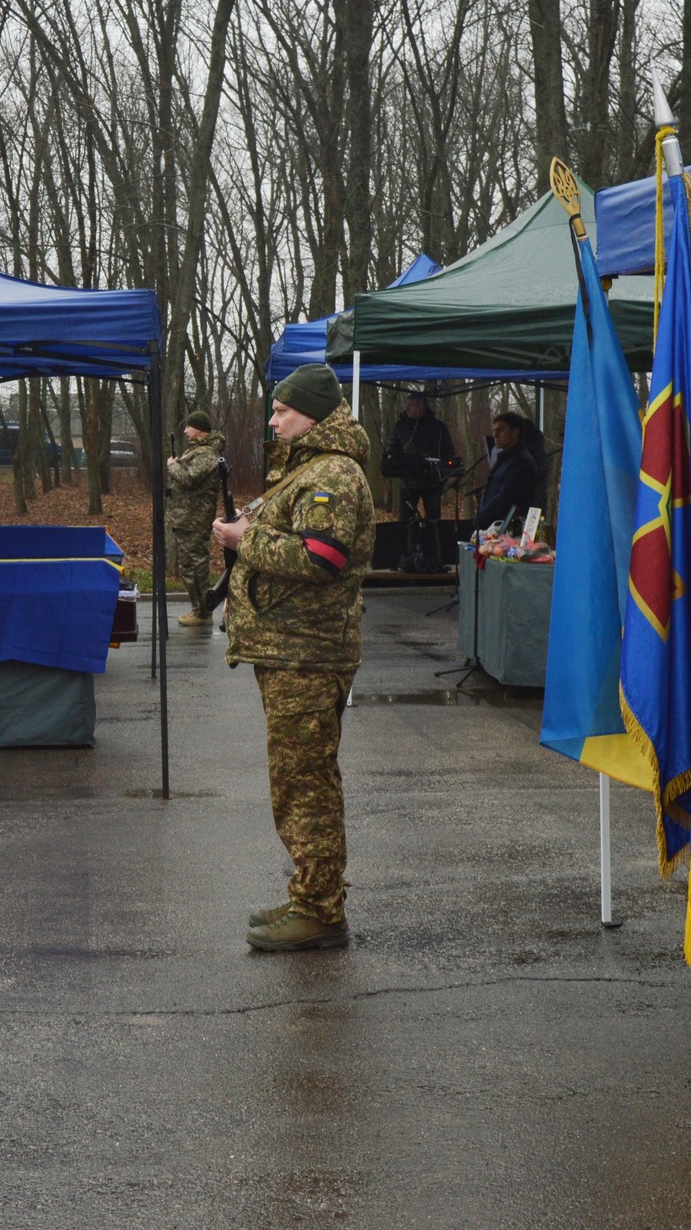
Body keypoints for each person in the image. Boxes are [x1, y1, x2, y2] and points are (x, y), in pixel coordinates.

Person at [216, 364, 373, 952]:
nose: (273, 420)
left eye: (282, 411)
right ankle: (312, 893)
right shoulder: (310, 467)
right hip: (293, 650)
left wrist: (245, 539)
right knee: (301, 779)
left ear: (311, 414)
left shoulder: (332, 472)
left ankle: (320, 911)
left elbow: (321, 557)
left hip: (308, 654)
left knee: (304, 784)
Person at [164, 410, 226, 628]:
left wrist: (173, 465)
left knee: (195, 567)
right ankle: (199, 609)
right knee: (189, 566)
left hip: (194, 519)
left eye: (189, 426)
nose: (185, 430)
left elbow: (189, 478)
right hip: (186, 518)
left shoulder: (207, 454)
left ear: (199, 429)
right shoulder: (198, 451)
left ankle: (202, 613)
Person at [384, 392, 458, 522]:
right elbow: (391, 451)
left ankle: (432, 535)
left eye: (410, 405)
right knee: (406, 520)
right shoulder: (400, 426)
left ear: (421, 407)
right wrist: (402, 465)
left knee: (433, 520)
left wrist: (443, 472)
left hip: (433, 482)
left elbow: (449, 451)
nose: (406, 409)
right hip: (408, 481)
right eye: (406, 405)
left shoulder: (438, 427)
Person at [471, 412, 540, 533]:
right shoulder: (506, 459)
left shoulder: (521, 462)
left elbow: (504, 499)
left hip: (508, 532)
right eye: (494, 431)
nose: (495, 435)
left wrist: (479, 519)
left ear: (515, 432)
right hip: (492, 529)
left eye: (501, 430)